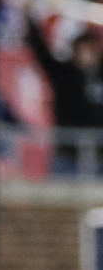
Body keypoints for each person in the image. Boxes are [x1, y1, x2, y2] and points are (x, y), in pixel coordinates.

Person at [24, 17, 103, 174]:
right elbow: (43, 56)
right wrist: (29, 21)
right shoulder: (64, 74)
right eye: (82, 50)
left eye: (90, 50)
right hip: (67, 155)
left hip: (99, 156)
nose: (87, 56)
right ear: (75, 51)